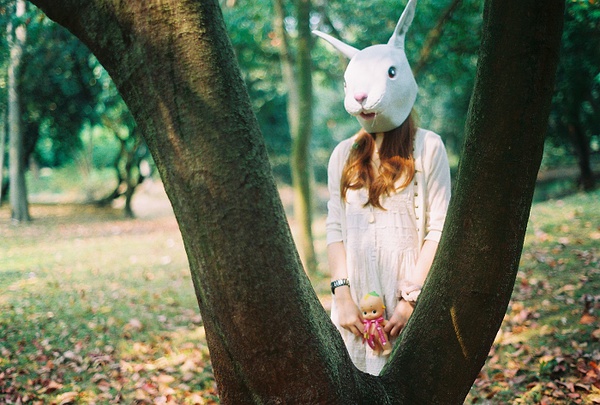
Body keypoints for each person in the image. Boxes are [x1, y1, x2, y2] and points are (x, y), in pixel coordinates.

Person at [315, 0, 452, 375]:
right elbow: (335, 227)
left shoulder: (428, 146)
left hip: (409, 299)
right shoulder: (343, 154)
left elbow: (439, 229)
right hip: (356, 304)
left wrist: (411, 300)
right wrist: (341, 296)